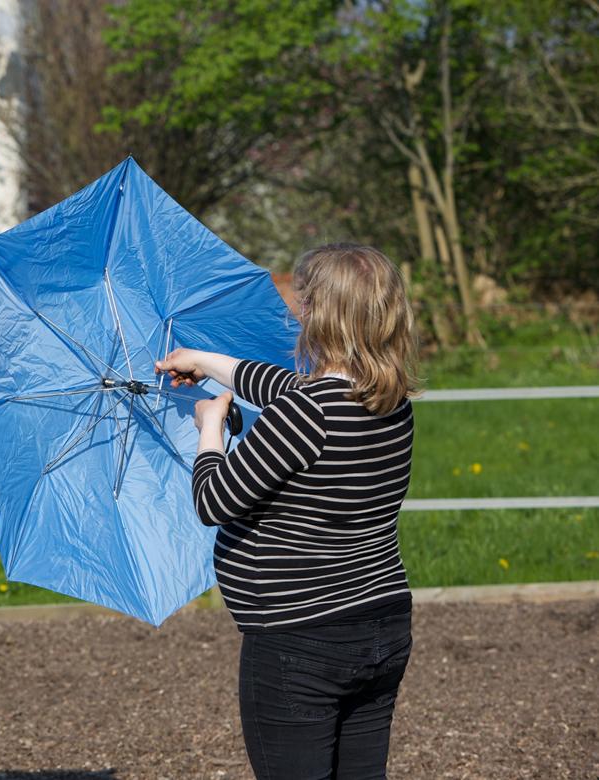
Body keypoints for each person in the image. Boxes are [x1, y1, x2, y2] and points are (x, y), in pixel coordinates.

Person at [155, 243, 419, 780]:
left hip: (300, 641)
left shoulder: (304, 414)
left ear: (320, 316)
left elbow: (214, 501)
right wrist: (202, 361)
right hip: (382, 626)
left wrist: (209, 427)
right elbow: (289, 387)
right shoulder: (392, 404)